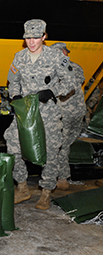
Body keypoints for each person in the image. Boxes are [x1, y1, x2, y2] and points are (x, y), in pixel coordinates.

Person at [4, 19, 76, 210]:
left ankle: (45, 192)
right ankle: (22, 187)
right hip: (25, 110)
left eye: (36, 37)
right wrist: (15, 94)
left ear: (44, 36)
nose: (32, 42)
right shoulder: (19, 57)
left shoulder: (55, 56)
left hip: (48, 112)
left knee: (51, 151)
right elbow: (13, 81)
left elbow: (71, 82)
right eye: (28, 37)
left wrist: (53, 91)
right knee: (12, 143)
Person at [50, 42, 86, 191]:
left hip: (64, 114)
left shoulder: (55, 69)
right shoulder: (76, 67)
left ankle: (62, 178)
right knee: (66, 145)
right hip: (78, 113)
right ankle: (62, 176)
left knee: (62, 146)